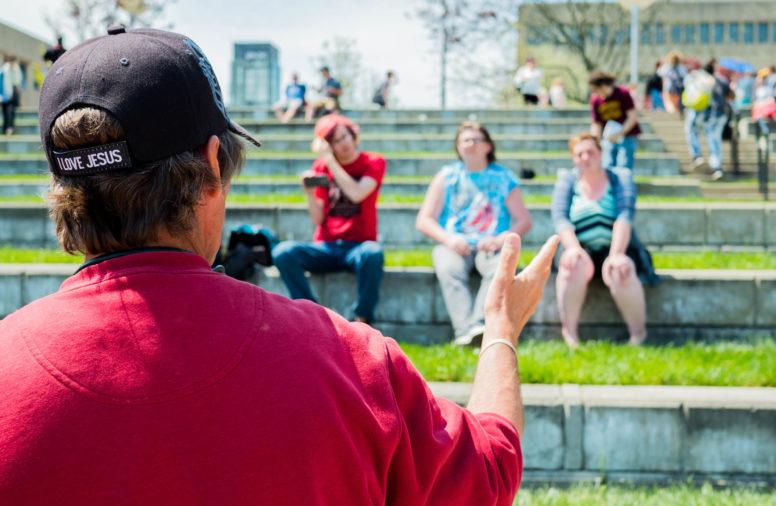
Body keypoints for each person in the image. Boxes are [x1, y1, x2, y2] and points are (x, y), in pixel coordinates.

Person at [0, 27, 561, 504]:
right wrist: (502, 332)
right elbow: (489, 471)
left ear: (61, 189)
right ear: (213, 164)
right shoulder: (353, 363)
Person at [416, 121, 533, 346]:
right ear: (458, 147)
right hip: (455, 243)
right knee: (448, 267)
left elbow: (524, 220)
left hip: (492, 244)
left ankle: (479, 325)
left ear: (488, 146)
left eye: (475, 139)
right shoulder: (447, 176)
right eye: (464, 140)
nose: (470, 144)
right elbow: (424, 220)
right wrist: (450, 239)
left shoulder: (504, 178)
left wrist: (501, 239)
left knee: (500, 266)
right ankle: (465, 331)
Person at [272, 114, 385, 324]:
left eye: (345, 137)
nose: (344, 144)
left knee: (373, 253)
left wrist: (330, 161)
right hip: (326, 246)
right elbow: (318, 218)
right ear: (328, 146)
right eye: (336, 142)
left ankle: (362, 318)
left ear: (353, 135)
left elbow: (357, 193)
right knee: (283, 252)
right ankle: (313, 314)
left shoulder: (373, 162)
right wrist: (308, 192)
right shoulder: (321, 167)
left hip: (358, 247)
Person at [552, 133, 659, 349]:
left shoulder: (620, 177)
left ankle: (637, 336)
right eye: (579, 154)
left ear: (600, 154)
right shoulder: (567, 180)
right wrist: (573, 249)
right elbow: (560, 218)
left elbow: (624, 216)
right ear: (573, 158)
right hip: (580, 247)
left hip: (618, 245)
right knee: (571, 264)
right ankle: (570, 334)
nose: (585, 157)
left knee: (621, 268)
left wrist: (616, 254)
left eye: (590, 152)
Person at [684, 59, 731, 180]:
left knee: (696, 133)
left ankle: (700, 157)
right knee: (713, 140)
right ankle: (716, 166)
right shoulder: (720, 80)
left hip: (707, 114)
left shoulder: (696, 78)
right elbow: (731, 95)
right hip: (718, 114)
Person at [588, 71, 641, 171]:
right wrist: (595, 140)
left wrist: (620, 133)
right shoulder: (596, 100)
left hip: (627, 135)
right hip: (608, 137)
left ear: (603, 86)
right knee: (607, 165)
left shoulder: (623, 93)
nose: (595, 93)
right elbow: (596, 123)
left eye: (596, 90)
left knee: (624, 165)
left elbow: (632, 117)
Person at [659, 51, 687, 115]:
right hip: (675, 88)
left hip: (674, 88)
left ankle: (675, 111)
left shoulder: (668, 67)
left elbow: (661, 73)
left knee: (672, 102)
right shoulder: (680, 67)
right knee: (674, 102)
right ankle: (676, 111)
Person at [0, 55, 22, 135]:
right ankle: (5, 129)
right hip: (5, 94)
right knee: (5, 112)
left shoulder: (16, 69)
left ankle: (10, 128)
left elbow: (17, 82)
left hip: (13, 93)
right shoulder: (3, 70)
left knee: (12, 111)